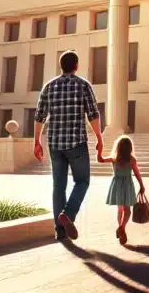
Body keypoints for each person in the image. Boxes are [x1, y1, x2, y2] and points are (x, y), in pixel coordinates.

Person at [33, 50, 103, 241]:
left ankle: (60, 230)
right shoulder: (83, 85)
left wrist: (36, 141)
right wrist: (99, 137)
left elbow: (39, 116)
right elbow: (93, 114)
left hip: (55, 144)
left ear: (61, 66)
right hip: (76, 143)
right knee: (82, 181)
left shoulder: (49, 86)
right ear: (77, 65)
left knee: (59, 186)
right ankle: (68, 214)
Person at [97, 135, 145, 246]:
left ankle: (120, 228)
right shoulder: (132, 160)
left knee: (120, 210)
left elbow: (100, 160)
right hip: (127, 185)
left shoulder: (114, 159)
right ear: (130, 148)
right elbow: (137, 174)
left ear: (118, 147)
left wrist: (99, 150)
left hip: (117, 186)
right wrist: (142, 185)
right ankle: (122, 228)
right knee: (127, 210)